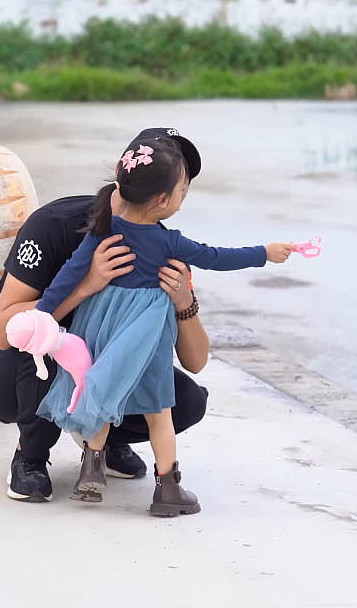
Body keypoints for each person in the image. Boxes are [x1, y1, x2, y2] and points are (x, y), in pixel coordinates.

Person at [17, 136, 292, 514]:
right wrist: (264, 253)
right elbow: (216, 257)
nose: (183, 196)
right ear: (162, 200)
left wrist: (42, 314)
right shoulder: (169, 242)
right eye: (183, 189)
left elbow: (68, 274)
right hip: (147, 335)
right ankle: (167, 491)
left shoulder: (103, 229)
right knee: (159, 411)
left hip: (103, 325)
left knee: (101, 391)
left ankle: (91, 473)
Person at [0, 128, 212, 503]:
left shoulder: (161, 245)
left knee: (187, 401)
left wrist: (183, 302)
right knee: (53, 344)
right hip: (2, 369)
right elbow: (3, 330)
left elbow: (195, 360)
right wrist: (86, 284)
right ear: (121, 170)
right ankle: (29, 459)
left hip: (91, 363)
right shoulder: (56, 223)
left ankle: (104, 442)